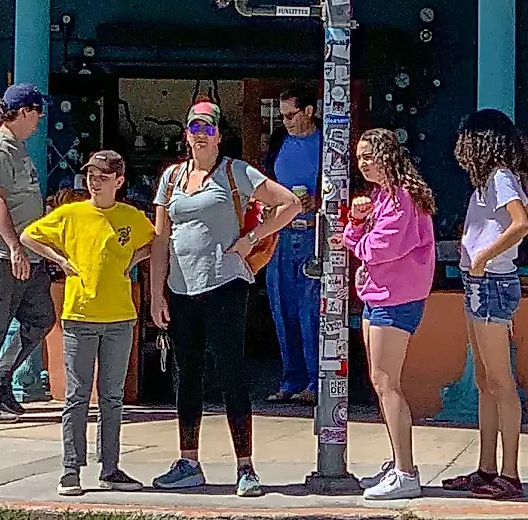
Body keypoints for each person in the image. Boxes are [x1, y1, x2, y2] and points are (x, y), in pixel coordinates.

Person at [147, 100, 301, 497]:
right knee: (187, 376)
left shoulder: (236, 171)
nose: (201, 135)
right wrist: (155, 293)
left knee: (232, 373)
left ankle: (246, 467)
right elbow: (161, 239)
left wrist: (249, 240)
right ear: (186, 134)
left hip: (225, 285)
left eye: (208, 128)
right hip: (181, 290)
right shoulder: (171, 178)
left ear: (219, 135)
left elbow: (289, 203)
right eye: (194, 127)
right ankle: (188, 460)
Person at [20, 150, 152, 497]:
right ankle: (70, 469)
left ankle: (110, 468)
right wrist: (60, 259)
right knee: (77, 396)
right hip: (79, 316)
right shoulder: (71, 214)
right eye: (92, 176)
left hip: (120, 318)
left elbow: (155, 241)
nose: (95, 182)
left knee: (112, 397)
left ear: (119, 182)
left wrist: (134, 258)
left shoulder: (130, 216)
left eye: (103, 177)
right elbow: (29, 236)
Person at [339, 126, 438, 501]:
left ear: (386, 156)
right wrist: (358, 224)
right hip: (378, 296)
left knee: (386, 383)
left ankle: (405, 472)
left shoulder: (402, 199)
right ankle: (399, 460)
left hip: (396, 299)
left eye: (368, 156)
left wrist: (358, 235)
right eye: (359, 157)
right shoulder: (381, 197)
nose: (362, 163)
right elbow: (359, 241)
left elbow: (381, 247)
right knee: (381, 382)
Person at [444, 109, 528, 500]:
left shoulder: (500, 177)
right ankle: (486, 467)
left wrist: (483, 257)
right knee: (483, 380)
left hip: (492, 283)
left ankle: (509, 473)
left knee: (500, 381)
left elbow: (523, 221)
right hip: (477, 282)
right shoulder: (486, 183)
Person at [0, 84, 56, 422]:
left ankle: (2, 382)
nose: (40, 119)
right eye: (37, 111)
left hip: (28, 254)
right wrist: (14, 247)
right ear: (22, 112)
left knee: (40, 317)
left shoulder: (18, 148)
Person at [265, 86, 323, 403]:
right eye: (283, 115)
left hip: (313, 231)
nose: (286, 121)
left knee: (310, 309)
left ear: (308, 111)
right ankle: (291, 379)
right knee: (282, 306)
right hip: (281, 233)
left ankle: (315, 381)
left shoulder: (328, 144)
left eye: (291, 115)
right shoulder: (279, 141)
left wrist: (318, 201)